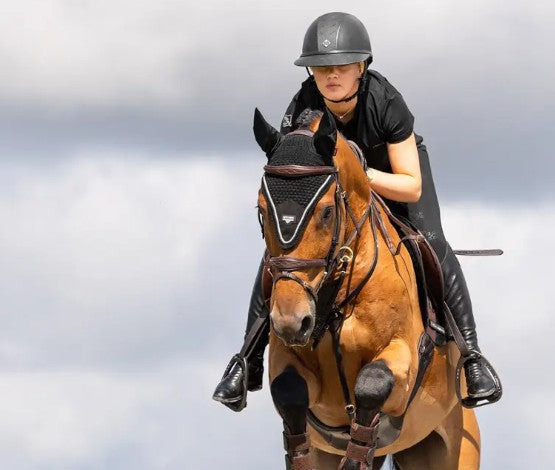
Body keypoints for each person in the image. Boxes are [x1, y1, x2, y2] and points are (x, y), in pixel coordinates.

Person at [213, 11, 501, 411]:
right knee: (281, 253)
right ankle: (248, 360)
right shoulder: (302, 105)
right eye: (322, 68)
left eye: (342, 66)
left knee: (432, 241)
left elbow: (411, 185)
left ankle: (472, 357)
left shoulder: (385, 101)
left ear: (361, 67)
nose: (332, 75)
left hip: (392, 177)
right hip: (334, 197)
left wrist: (360, 175)